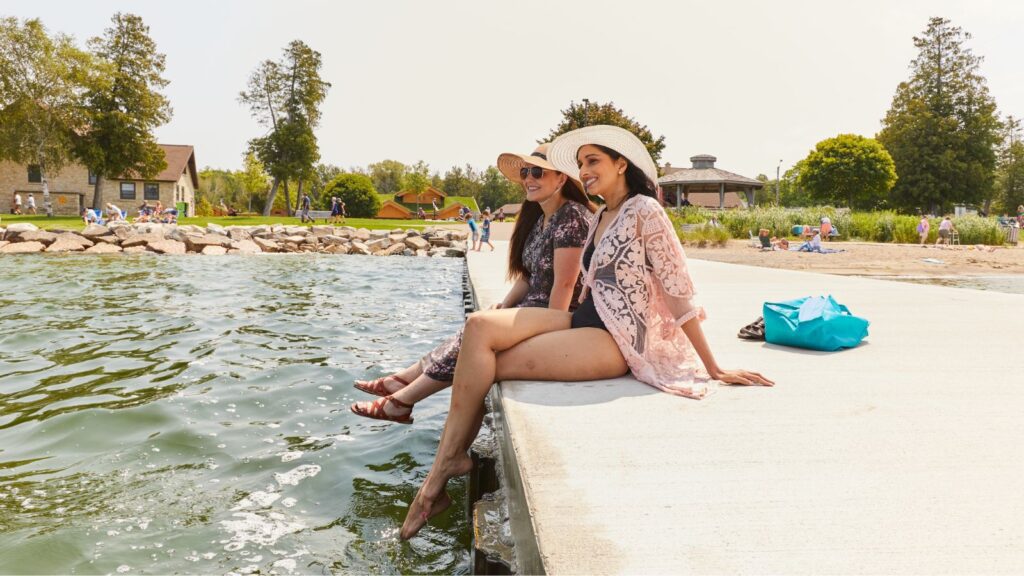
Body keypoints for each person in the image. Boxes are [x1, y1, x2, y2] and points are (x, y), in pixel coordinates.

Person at [397, 126, 772, 540]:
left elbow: (677, 289)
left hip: (613, 337)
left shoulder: (644, 209)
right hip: (583, 319)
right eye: (581, 164)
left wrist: (713, 366)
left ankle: (435, 482)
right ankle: (445, 466)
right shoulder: (601, 215)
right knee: (478, 326)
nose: (584, 171)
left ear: (621, 164)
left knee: (487, 365)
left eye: (593, 161)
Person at [351, 143, 595, 424]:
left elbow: (565, 285)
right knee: (473, 328)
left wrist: (549, 334)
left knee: (476, 333)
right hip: (533, 310)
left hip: (554, 316)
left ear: (561, 178)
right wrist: (504, 305)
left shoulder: (572, 217)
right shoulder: (542, 219)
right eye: (526, 172)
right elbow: (529, 276)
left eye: (538, 172)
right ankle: (402, 382)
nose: (528, 178)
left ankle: (401, 400)